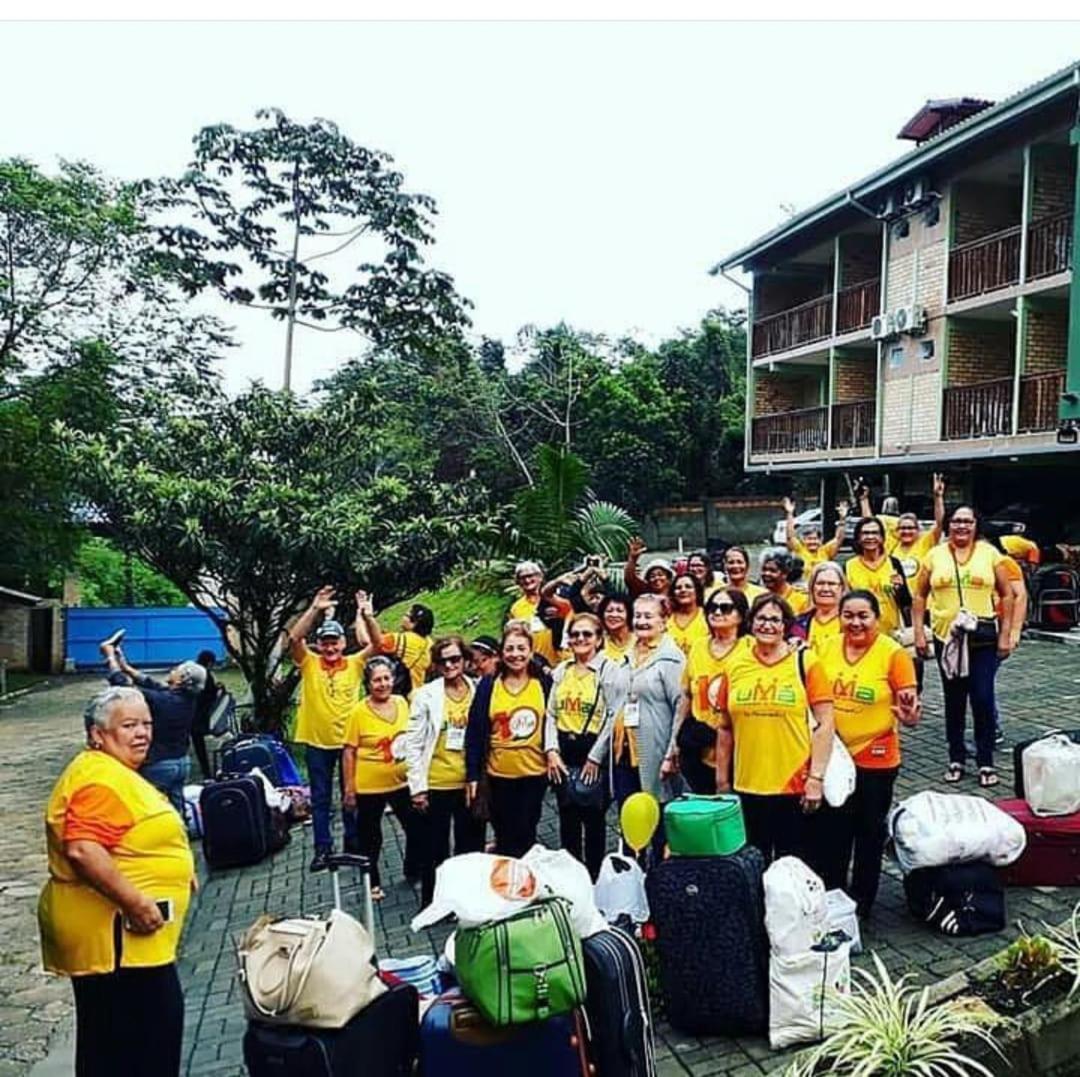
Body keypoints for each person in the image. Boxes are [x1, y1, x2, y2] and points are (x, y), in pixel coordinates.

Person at [39, 686, 195, 1077]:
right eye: (128, 725)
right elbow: (83, 849)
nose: (142, 733)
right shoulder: (100, 779)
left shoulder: (112, 771)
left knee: (114, 1046)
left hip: (125, 943)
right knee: (141, 1048)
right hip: (119, 942)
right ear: (97, 734)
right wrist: (137, 903)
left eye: (146, 723)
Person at [815, 591, 920, 916]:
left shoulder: (893, 653)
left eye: (863, 616)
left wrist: (908, 716)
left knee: (868, 833)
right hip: (833, 758)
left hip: (876, 759)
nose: (855, 622)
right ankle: (833, 898)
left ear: (876, 617)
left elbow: (911, 711)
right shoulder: (828, 646)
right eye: (849, 615)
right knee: (833, 831)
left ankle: (862, 904)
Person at [714, 594, 834, 867]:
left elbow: (825, 723)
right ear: (751, 622)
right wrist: (722, 782)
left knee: (791, 870)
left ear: (786, 625)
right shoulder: (735, 665)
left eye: (775, 619)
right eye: (761, 618)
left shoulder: (806, 663)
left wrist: (816, 778)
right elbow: (724, 729)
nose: (768, 625)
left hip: (793, 786)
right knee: (752, 865)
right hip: (747, 786)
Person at [912, 505, 1016, 787]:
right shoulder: (934, 555)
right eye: (956, 521)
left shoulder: (990, 553)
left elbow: (1008, 595)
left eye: (967, 521)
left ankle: (985, 761)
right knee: (954, 701)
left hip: (982, 638)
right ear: (948, 525)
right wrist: (920, 633)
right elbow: (919, 596)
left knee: (982, 697)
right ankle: (956, 757)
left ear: (975, 525)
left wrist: (1006, 633)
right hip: (948, 639)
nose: (961, 526)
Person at [405, 635, 485, 906]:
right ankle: (434, 903)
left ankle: (467, 901)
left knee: (470, 846)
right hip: (437, 782)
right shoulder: (425, 695)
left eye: (455, 659)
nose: (450, 665)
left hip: (470, 783)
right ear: (436, 665)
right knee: (435, 849)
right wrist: (417, 788)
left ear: (464, 659)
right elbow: (413, 744)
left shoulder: (478, 689)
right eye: (443, 661)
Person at [544, 612, 626, 879]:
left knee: (593, 819)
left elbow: (614, 714)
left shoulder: (608, 671)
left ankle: (593, 877)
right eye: (575, 634)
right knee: (566, 816)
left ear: (599, 639)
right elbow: (551, 714)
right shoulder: (562, 671)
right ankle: (572, 877)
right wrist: (551, 750)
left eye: (587, 634)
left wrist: (596, 756)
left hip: (592, 750)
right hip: (563, 751)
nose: (580, 639)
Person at [288, 587, 365, 870]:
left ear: (344, 643)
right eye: (325, 643)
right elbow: (295, 637)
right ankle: (322, 848)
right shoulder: (309, 662)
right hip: (317, 743)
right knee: (320, 798)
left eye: (335, 643)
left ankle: (353, 843)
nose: (330, 648)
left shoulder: (355, 664)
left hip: (349, 745)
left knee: (351, 795)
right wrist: (314, 608)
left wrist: (363, 614)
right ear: (319, 644)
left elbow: (377, 645)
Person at [465, 623, 551, 857]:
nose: (516, 654)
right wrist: (472, 774)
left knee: (527, 831)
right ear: (502, 653)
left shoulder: (542, 683)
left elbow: (554, 722)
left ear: (531, 651)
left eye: (521, 648)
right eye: (510, 649)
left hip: (534, 773)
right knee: (505, 835)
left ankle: (526, 884)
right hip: (498, 776)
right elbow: (474, 731)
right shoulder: (489, 685)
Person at [611, 593, 686, 860]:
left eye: (649, 615)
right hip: (623, 752)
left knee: (657, 818)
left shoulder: (671, 658)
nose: (641, 621)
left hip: (655, 754)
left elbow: (681, 706)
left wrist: (671, 752)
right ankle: (631, 878)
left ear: (664, 620)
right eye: (638, 615)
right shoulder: (628, 654)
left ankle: (659, 881)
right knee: (629, 817)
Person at [98, 639, 206, 815]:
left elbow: (126, 690)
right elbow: (151, 683)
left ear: (181, 679)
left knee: (147, 809)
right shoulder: (188, 698)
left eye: (176, 670)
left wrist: (110, 657)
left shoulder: (164, 701)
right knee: (176, 814)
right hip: (181, 762)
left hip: (159, 764)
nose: (172, 671)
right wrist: (125, 666)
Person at [342, 656, 414, 901]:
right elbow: (349, 751)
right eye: (377, 680)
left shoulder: (402, 702)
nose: (382, 684)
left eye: (386, 678)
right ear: (368, 684)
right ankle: (371, 881)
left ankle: (413, 870)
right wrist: (349, 788)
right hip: (369, 786)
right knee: (370, 836)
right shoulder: (358, 712)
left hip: (403, 781)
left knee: (415, 827)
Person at [677, 588, 751, 794]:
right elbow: (687, 695)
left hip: (739, 749)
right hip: (698, 749)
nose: (717, 613)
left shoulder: (751, 648)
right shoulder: (699, 647)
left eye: (725, 608)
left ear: (741, 615)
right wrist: (674, 744)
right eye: (712, 608)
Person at [357, 593, 434, 694]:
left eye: (406, 615)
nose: (402, 617)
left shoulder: (402, 640)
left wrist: (361, 616)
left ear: (413, 623)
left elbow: (366, 641)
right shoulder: (430, 643)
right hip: (418, 694)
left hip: (398, 693)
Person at [845, 517, 905, 637]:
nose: (870, 537)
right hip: (860, 632)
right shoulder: (849, 566)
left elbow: (906, 602)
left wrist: (900, 589)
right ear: (858, 538)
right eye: (865, 533)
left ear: (882, 537)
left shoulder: (893, 563)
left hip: (891, 632)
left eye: (875, 533)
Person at [507, 561, 560, 667]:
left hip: (560, 659)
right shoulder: (516, 608)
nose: (527, 580)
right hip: (534, 663)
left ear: (540, 577)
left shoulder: (556, 598)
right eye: (522, 578)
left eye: (531, 576)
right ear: (518, 582)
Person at [791, 562, 847, 656]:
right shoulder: (798, 623)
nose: (825, 589)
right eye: (820, 583)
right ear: (812, 588)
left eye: (832, 584)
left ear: (842, 588)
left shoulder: (852, 622)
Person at [783, 496, 848, 571]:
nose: (812, 541)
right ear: (803, 540)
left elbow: (839, 539)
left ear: (820, 541)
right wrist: (790, 513)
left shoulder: (825, 551)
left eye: (815, 539)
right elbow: (790, 537)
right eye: (809, 539)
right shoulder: (799, 550)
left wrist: (842, 518)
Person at [190, 650, 218, 780]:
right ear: (209, 663)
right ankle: (206, 772)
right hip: (200, 716)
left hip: (189, 713)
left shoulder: (192, 672)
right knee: (199, 744)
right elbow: (210, 696)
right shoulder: (207, 676)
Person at [666, 572, 709, 656]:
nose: (683, 590)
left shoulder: (708, 616)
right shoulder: (666, 618)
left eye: (688, 586)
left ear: (697, 591)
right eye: (678, 588)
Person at [760, 548, 810, 614]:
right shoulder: (758, 595)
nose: (767, 574)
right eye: (764, 569)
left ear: (785, 573)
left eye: (772, 570)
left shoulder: (802, 599)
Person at [598, 593, 635, 664]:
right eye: (609, 611)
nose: (614, 615)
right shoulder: (598, 642)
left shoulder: (640, 640)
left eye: (619, 611)